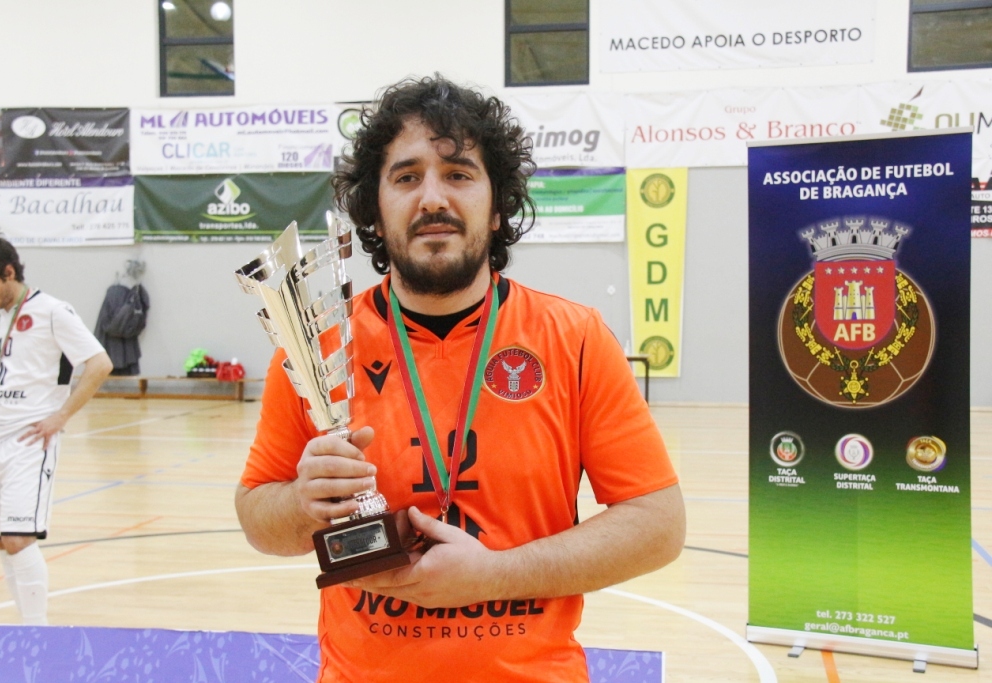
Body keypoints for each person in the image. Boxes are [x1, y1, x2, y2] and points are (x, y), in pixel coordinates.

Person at [236, 76, 685, 682]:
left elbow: (658, 525)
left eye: (458, 173)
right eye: (406, 176)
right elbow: (259, 519)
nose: (432, 198)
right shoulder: (318, 348)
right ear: (373, 210)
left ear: (498, 207)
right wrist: (300, 502)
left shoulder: (574, 337)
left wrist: (495, 575)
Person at [0, 234, 112, 625]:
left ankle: (37, 632)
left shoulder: (52, 311)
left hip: (28, 441)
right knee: (0, 538)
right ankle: (23, 626)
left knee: (18, 537)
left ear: (8, 272)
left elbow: (99, 364)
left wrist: (60, 417)